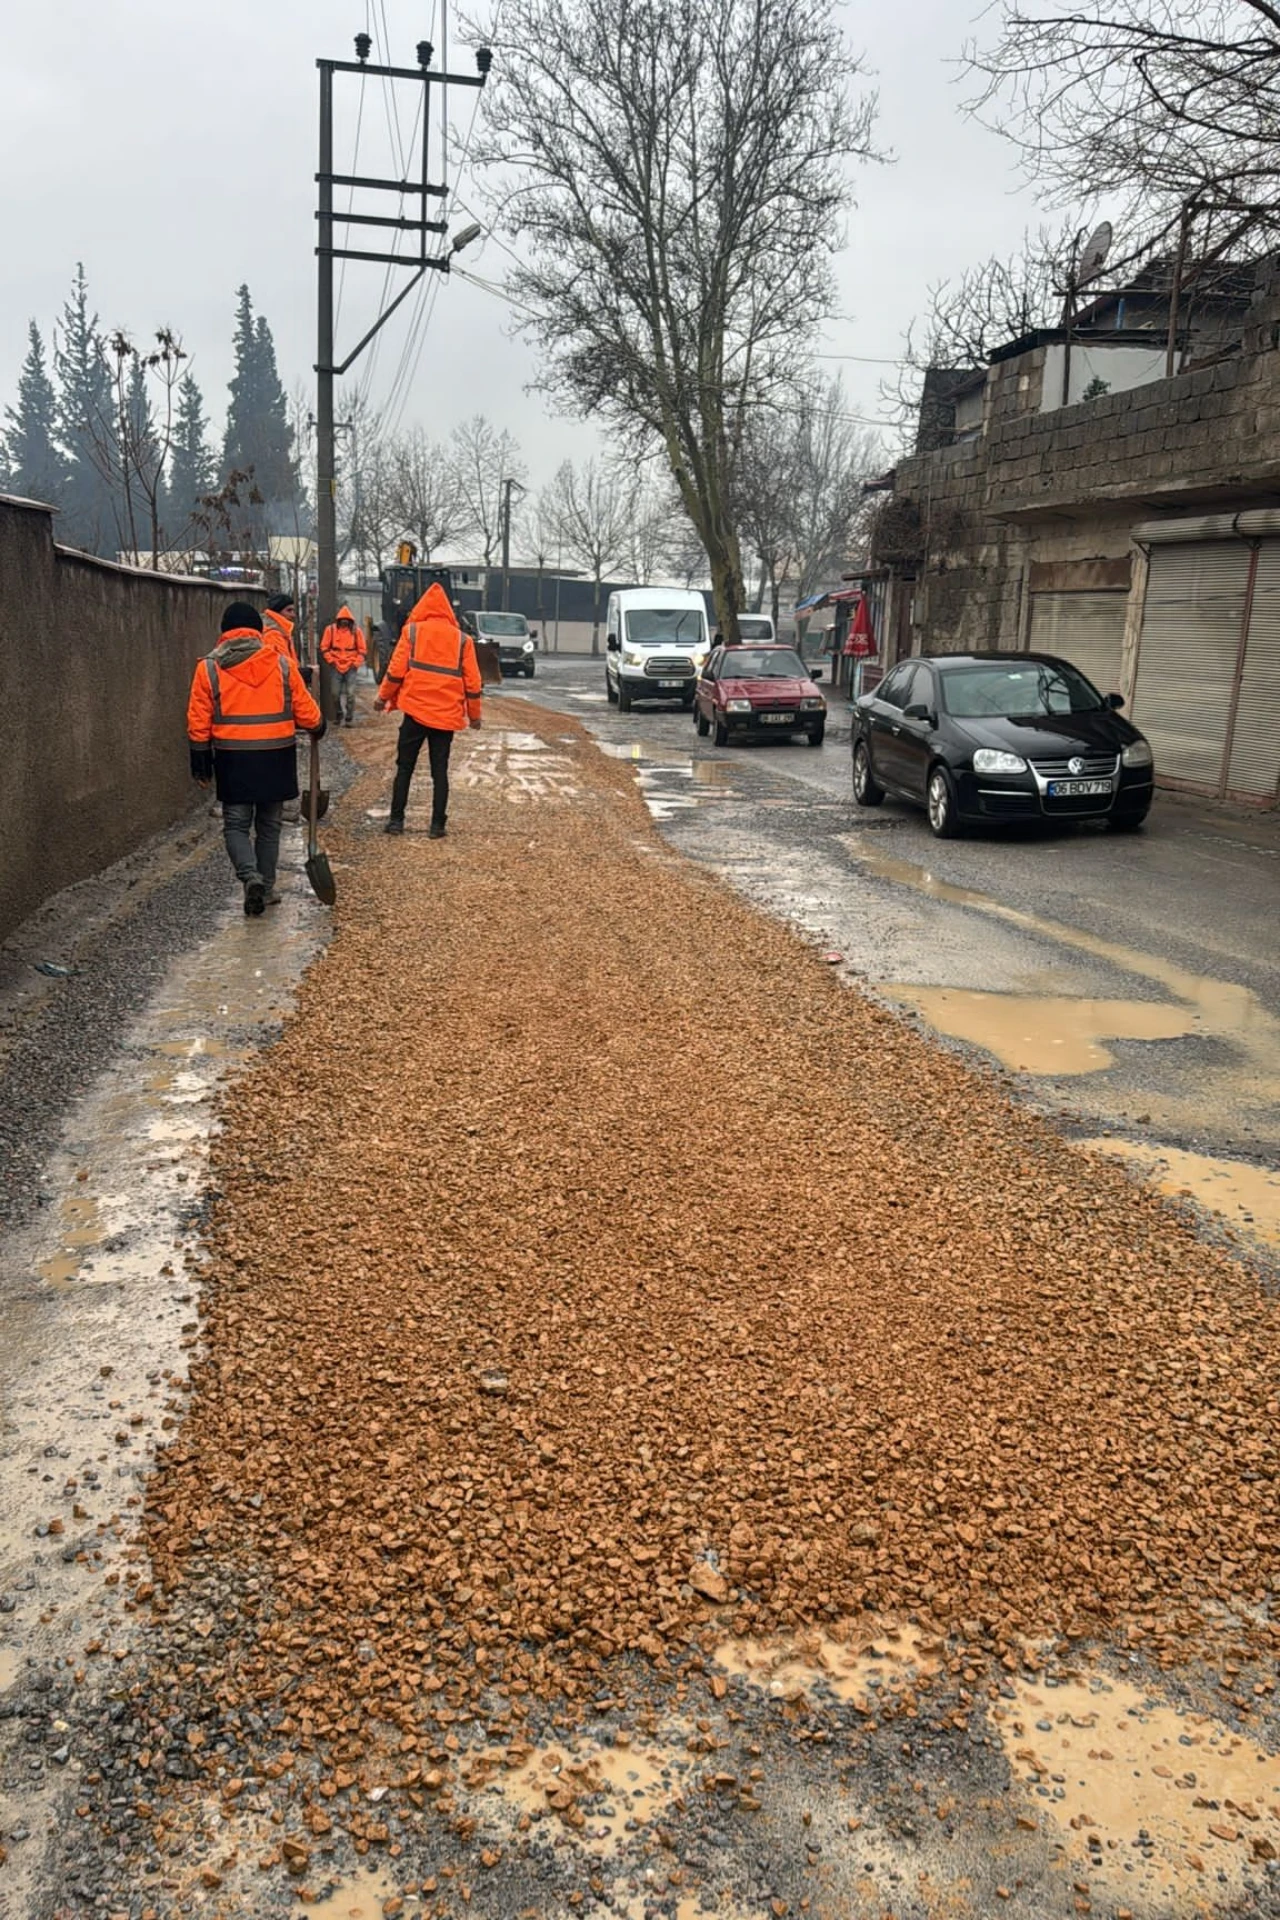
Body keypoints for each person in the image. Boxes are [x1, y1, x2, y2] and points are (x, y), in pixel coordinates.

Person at [187, 602, 325, 915]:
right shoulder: (281, 665)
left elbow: (198, 719)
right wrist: (319, 725)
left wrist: (200, 760)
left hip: (233, 758)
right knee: (269, 825)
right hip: (276, 756)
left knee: (236, 825)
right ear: (258, 631)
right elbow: (304, 709)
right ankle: (267, 887)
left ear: (224, 632)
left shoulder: (208, 668)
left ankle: (250, 877)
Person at [375, 582, 481, 839]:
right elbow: (473, 682)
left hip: (415, 712)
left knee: (405, 767)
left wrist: (382, 698)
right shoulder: (463, 641)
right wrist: (475, 716)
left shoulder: (411, 632)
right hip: (446, 716)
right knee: (439, 771)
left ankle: (396, 821)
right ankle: (437, 826)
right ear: (448, 611)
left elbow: (396, 670)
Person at [320, 604, 368, 726]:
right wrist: (331, 661)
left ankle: (349, 718)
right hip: (336, 666)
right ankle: (339, 713)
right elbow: (324, 647)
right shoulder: (330, 630)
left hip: (351, 666)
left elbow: (362, 650)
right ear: (339, 620)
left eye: (347, 621)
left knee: (351, 694)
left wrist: (356, 663)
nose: (344, 623)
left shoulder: (356, 632)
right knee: (335, 693)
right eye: (342, 621)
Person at [262, 592, 301, 671]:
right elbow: (281, 669)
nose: (293, 615)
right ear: (277, 612)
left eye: (293, 610)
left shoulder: (283, 633)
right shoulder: (272, 635)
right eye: (289, 610)